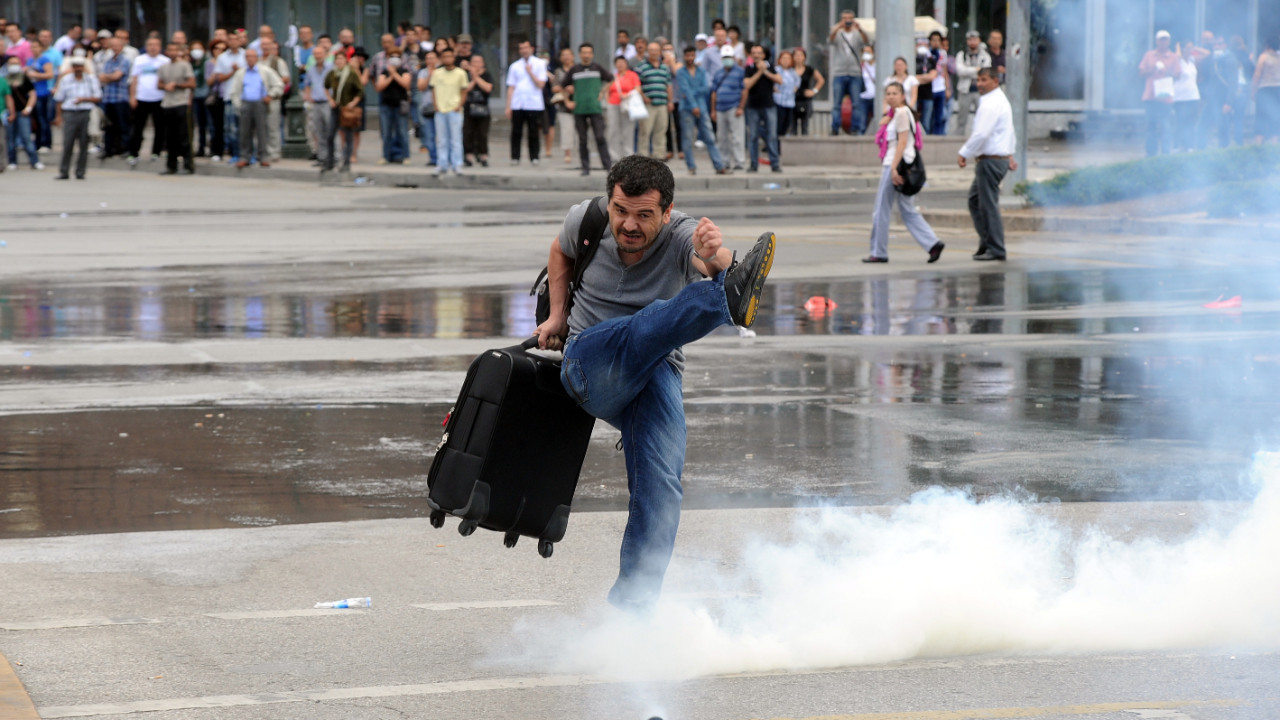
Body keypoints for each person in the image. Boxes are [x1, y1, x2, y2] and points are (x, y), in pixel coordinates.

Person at [532, 154, 775, 612]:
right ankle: (727, 299)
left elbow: (713, 259)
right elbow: (560, 251)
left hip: (654, 374)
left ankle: (632, 611)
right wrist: (558, 313)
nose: (628, 224)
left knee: (661, 488)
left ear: (667, 212)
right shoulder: (585, 218)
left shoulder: (682, 231)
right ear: (610, 201)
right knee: (639, 327)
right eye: (621, 210)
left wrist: (716, 256)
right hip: (589, 362)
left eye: (645, 215)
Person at [863, 81, 942, 264]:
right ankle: (933, 243)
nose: (891, 96)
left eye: (894, 93)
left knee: (881, 210)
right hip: (899, 165)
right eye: (888, 93)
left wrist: (892, 168)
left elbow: (902, 142)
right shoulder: (895, 115)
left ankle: (879, 252)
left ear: (902, 96)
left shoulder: (901, 113)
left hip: (895, 166)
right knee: (907, 210)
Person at [958, 68, 1017, 262]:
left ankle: (996, 248)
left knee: (988, 205)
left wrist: (964, 152)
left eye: (984, 80)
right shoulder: (997, 100)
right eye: (978, 80)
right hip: (995, 159)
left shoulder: (992, 103)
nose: (980, 84)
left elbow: (981, 134)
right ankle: (987, 241)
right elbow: (1009, 130)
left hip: (990, 160)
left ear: (995, 81)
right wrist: (1010, 154)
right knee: (975, 200)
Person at [675, 45, 728, 175]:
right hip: (687, 108)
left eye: (692, 55)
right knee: (687, 139)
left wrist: (694, 98)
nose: (690, 58)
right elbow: (684, 89)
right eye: (687, 56)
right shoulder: (681, 72)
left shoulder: (701, 71)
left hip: (702, 108)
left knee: (710, 137)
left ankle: (719, 165)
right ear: (684, 57)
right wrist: (693, 105)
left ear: (695, 56)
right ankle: (691, 166)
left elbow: (706, 87)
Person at [564, 43, 613, 176]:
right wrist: (567, 101)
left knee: (600, 137)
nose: (586, 55)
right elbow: (562, 86)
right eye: (584, 52)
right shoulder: (574, 70)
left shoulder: (597, 68)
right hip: (579, 109)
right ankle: (585, 167)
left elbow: (611, 79)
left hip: (595, 108)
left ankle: (608, 166)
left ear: (592, 54)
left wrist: (603, 92)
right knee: (582, 139)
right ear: (580, 54)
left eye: (589, 52)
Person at [230, 48, 283, 167]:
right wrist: (239, 105)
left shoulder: (265, 71)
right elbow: (234, 91)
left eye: (252, 56)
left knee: (262, 132)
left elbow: (279, 84)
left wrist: (271, 95)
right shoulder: (241, 73)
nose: (250, 59)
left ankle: (263, 157)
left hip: (260, 103)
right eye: (248, 56)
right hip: (246, 103)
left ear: (257, 57)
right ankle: (245, 157)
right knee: (245, 133)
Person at [52, 57, 100, 180]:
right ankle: (64, 171)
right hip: (70, 113)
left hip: (85, 112)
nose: (78, 68)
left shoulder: (91, 79)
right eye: (75, 66)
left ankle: (80, 171)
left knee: (84, 144)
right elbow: (59, 99)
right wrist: (58, 116)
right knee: (68, 143)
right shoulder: (66, 80)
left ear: (84, 67)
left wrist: (84, 99)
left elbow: (98, 97)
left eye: (80, 66)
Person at [127, 37, 170, 164]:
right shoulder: (140, 60)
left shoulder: (165, 61)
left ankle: (156, 152)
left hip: (159, 98)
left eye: (156, 44)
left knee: (160, 128)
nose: (153, 47)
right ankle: (134, 153)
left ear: (160, 46)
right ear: (146, 46)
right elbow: (134, 80)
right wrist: (132, 96)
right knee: (138, 127)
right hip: (142, 98)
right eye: (150, 44)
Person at [506, 39, 548, 165]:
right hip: (518, 103)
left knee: (533, 131)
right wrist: (508, 106)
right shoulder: (515, 66)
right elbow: (511, 87)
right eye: (521, 48)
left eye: (526, 47)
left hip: (534, 104)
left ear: (532, 49)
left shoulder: (539, 64)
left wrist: (530, 72)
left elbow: (541, 84)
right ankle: (515, 157)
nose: (524, 50)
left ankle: (534, 157)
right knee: (516, 131)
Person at [1139, 30, 1180, 157]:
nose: (1163, 42)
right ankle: (1150, 153)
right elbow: (1141, 73)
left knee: (1165, 126)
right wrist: (1153, 69)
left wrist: (1166, 71)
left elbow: (1178, 75)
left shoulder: (1172, 57)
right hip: (1150, 97)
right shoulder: (1149, 56)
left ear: (1169, 41)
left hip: (1165, 97)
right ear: (1156, 41)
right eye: (1161, 39)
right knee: (1151, 127)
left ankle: (1166, 153)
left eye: (1166, 39)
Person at [828, 9, 869, 136]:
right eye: (845, 18)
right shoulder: (838, 32)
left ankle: (855, 128)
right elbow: (830, 41)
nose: (847, 21)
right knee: (836, 104)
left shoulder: (857, 33)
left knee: (856, 103)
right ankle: (835, 127)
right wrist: (837, 27)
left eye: (849, 18)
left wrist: (860, 29)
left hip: (854, 72)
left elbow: (866, 42)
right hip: (839, 71)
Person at [428, 46, 468, 175]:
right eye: (444, 57)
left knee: (455, 139)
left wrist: (459, 105)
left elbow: (464, 91)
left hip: (455, 110)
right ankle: (442, 164)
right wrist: (435, 105)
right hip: (440, 110)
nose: (447, 59)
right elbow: (433, 89)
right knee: (441, 139)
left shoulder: (460, 73)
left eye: (449, 56)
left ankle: (457, 164)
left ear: (453, 57)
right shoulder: (437, 73)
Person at [157, 41, 194, 174]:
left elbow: (191, 83)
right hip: (167, 104)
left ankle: (188, 165)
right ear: (166, 52)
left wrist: (177, 84)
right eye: (170, 50)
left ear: (178, 51)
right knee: (170, 137)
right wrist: (165, 86)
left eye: (175, 50)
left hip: (181, 103)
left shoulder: (185, 65)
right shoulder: (164, 67)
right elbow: (159, 84)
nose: (172, 52)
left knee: (184, 136)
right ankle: (171, 165)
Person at [742, 44, 780, 173]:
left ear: (763, 55)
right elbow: (747, 84)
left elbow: (779, 80)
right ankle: (753, 164)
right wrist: (759, 72)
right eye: (754, 53)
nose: (756, 55)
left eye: (759, 53)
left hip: (769, 105)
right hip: (753, 106)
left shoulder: (770, 66)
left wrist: (766, 71)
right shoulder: (749, 68)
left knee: (772, 135)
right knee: (753, 136)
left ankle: (775, 164)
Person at [323, 50, 362, 173]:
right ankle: (330, 161)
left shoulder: (351, 74)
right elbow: (325, 86)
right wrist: (330, 99)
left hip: (347, 110)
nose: (339, 61)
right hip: (336, 108)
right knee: (330, 135)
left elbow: (360, 91)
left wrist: (353, 103)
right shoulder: (332, 74)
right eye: (337, 59)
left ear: (346, 60)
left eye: (341, 58)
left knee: (348, 137)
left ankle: (346, 163)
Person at [1199, 35, 1241, 148]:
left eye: (1220, 44)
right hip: (1212, 99)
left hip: (1223, 100)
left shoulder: (1230, 60)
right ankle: (1200, 152)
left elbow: (1233, 83)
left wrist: (1228, 102)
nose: (1217, 46)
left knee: (1223, 128)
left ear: (1225, 45)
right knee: (1202, 126)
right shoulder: (1213, 59)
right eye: (1215, 44)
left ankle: (1224, 153)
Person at [212, 33, 246, 162]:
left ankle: (248, 154)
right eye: (230, 39)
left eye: (235, 39)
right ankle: (235, 154)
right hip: (229, 96)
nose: (233, 42)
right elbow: (219, 78)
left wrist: (239, 71)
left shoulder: (246, 54)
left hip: (245, 96)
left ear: (240, 40)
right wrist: (233, 72)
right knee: (231, 128)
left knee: (245, 128)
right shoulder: (222, 57)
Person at [710, 44, 745, 170]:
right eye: (725, 57)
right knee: (722, 137)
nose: (727, 59)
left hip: (734, 107)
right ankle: (724, 161)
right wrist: (713, 110)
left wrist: (741, 107)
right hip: (720, 108)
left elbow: (744, 90)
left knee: (737, 137)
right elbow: (714, 92)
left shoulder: (740, 71)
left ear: (734, 57)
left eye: (729, 57)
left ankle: (739, 162)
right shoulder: (718, 73)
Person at [636, 41, 672, 159]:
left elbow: (669, 86)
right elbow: (636, 85)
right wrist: (643, 97)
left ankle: (659, 155)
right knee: (645, 131)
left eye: (656, 50)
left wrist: (670, 101)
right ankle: (643, 157)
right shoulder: (642, 66)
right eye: (651, 50)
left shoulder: (665, 68)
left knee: (661, 131)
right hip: (648, 105)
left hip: (662, 104)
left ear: (660, 52)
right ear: (648, 52)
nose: (653, 52)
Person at [375, 47, 412, 165]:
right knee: (386, 133)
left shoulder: (405, 71)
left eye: (397, 57)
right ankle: (386, 156)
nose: (394, 59)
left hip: (400, 105)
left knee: (402, 131)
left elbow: (406, 84)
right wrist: (390, 75)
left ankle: (406, 156)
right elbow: (379, 86)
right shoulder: (384, 72)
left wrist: (395, 73)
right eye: (392, 57)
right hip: (387, 105)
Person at [97, 35, 131, 159]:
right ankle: (108, 149)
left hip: (120, 98)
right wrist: (110, 77)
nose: (115, 48)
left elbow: (117, 76)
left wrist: (108, 77)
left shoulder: (125, 60)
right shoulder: (108, 61)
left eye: (117, 45)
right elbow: (101, 77)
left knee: (123, 125)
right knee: (108, 126)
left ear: (122, 47)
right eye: (113, 46)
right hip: (108, 98)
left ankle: (125, 149)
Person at [4, 57, 41, 169]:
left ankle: (34, 161)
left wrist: (28, 108)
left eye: (16, 63)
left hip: (22, 112)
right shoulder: (4, 79)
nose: (14, 66)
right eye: (11, 64)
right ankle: (12, 161)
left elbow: (33, 95)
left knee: (26, 137)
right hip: (9, 113)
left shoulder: (24, 78)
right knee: (10, 139)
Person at [952, 30, 991, 137]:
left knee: (982, 117)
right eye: (970, 39)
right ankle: (958, 139)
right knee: (962, 117)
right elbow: (960, 71)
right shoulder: (962, 55)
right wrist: (976, 70)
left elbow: (985, 72)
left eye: (975, 39)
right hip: (965, 90)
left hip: (981, 91)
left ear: (979, 40)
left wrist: (968, 70)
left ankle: (981, 138)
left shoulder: (985, 56)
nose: (972, 42)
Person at [605, 54, 640, 162]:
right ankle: (614, 155)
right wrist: (607, 102)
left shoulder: (632, 75)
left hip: (628, 105)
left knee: (628, 130)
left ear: (626, 64)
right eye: (618, 62)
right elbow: (606, 90)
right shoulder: (613, 76)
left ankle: (628, 155)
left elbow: (638, 89)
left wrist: (627, 95)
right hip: (614, 104)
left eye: (622, 62)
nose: (620, 64)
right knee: (613, 130)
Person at [261, 39, 291, 161]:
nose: (265, 47)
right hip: (258, 98)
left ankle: (274, 152)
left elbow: (286, 78)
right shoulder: (257, 60)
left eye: (268, 45)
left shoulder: (278, 61)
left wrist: (273, 84)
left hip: (273, 98)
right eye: (263, 44)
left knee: (273, 126)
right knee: (260, 127)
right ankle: (263, 151)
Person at [461, 54, 493, 167]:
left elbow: (488, 88)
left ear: (483, 63)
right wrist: (473, 77)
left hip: (483, 109)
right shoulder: (465, 75)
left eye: (478, 62)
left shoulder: (487, 74)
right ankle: (468, 156)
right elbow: (465, 89)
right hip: (469, 109)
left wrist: (477, 77)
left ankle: (483, 155)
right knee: (468, 133)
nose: (476, 64)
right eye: (474, 62)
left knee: (482, 134)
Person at [27, 38, 58, 152]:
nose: (34, 49)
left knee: (43, 118)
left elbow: (50, 75)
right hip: (32, 94)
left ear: (41, 48)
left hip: (42, 93)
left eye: (36, 46)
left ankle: (46, 143)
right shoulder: (30, 60)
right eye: (32, 47)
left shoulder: (45, 59)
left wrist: (36, 74)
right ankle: (38, 142)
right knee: (35, 119)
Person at [306, 43, 333, 168]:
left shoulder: (331, 68)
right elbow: (307, 83)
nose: (318, 56)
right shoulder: (311, 69)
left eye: (320, 53)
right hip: (316, 103)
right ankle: (322, 157)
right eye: (315, 54)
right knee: (319, 131)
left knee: (331, 130)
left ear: (325, 55)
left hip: (327, 102)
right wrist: (308, 96)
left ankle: (334, 156)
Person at [1171, 39, 1201, 152]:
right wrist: (1178, 47)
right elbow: (1177, 56)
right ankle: (1177, 146)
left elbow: (1207, 53)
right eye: (1188, 48)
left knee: (1191, 122)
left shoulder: (1192, 61)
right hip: (1180, 97)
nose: (1190, 50)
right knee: (1180, 122)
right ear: (1182, 49)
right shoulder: (1178, 61)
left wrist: (1195, 48)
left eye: (1191, 48)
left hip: (1193, 96)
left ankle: (1189, 145)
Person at [1252, 35, 1280, 145]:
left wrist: (1253, 91)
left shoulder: (1263, 57)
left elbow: (1257, 75)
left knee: (1261, 116)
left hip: (1265, 90)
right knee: (1276, 116)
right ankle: (1274, 143)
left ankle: (1258, 143)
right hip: (1278, 90)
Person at [551, 47, 576, 164]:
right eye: (564, 55)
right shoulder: (558, 71)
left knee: (579, 130)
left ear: (573, 56)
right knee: (566, 130)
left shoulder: (578, 69)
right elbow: (554, 87)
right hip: (563, 105)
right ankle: (567, 153)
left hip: (578, 104)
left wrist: (574, 89)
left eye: (568, 54)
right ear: (561, 58)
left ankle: (579, 152)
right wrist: (565, 89)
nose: (566, 57)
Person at [791, 47, 823, 135]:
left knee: (805, 127)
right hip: (792, 99)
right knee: (792, 127)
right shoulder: (790, 69)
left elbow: (821, 80)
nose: (798, 57)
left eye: (800, 55)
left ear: (804, 57)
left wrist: (814, 91)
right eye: (796, 55)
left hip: (805, 99)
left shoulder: (809, 69)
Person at [414, 49, 438, 166]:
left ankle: (443, 158)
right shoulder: (423, 72)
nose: (430, 61)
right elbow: (421, 87)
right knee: (429, 134)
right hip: (427, 107)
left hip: (441, 107)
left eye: (432, 58)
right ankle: (433, 159)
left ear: (437, 59)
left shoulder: (442, 71)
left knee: (441, 135)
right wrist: (429, 75)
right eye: (427, 58)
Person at [773, 49, 799, 138]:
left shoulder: (792, 72)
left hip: (790, 101)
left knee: (786, 125)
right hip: (779, 101)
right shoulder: (776, 70)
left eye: (788, 58)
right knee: (778, 125)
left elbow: (798, 81)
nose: (786, 60)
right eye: (783, 58)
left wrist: (795, 88)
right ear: (779, 59)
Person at [856, 45, 876, 134]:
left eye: (868, 52)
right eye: (864, 52)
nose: (866, 54)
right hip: (864, 97)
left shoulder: (878, 66)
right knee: (862, 121)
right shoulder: (861, 66)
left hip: (876, 97)